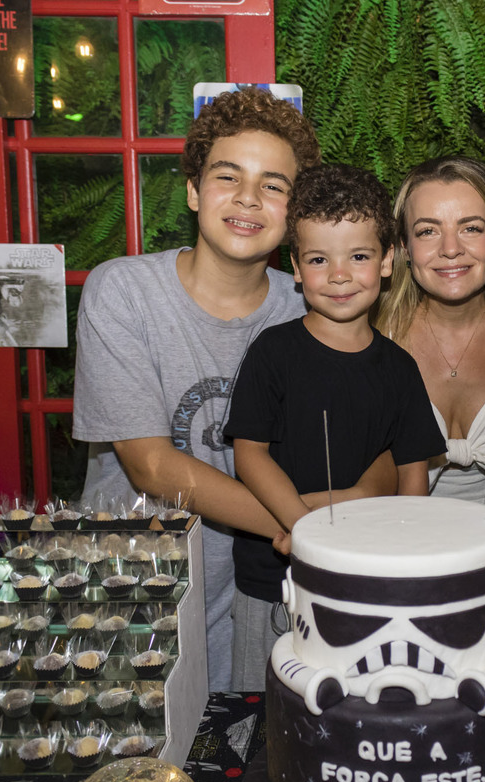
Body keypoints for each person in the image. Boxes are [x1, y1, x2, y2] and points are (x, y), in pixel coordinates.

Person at [72, 89, 392, 693]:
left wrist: (331, 517)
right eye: (228, 176)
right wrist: (312, 526)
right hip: (134, 594)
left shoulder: (317, 306)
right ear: (194, 191)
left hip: (257, 600)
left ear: (298, 213)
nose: (249, 198)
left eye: (274, 184)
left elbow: (382, 431)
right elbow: (152, 465)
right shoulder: (124, 293)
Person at [224, 163, 446, 689]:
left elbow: (414, 475)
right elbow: (249, 455)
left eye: (359, 256)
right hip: (274, 583)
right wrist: (303, 531)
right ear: (296, 267)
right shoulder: (272, 353)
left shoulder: (400, 368)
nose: (340, 274)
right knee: (264, 717)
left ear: (389, 261)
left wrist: (402, 555)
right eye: (319, 259)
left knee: (354, 712)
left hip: (370, 582)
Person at [377, 156, 485, 568]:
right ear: (404, 248)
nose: (451, 249)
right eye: (428, 230)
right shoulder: (372, 333)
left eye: (471, 227)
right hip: (397, 549)